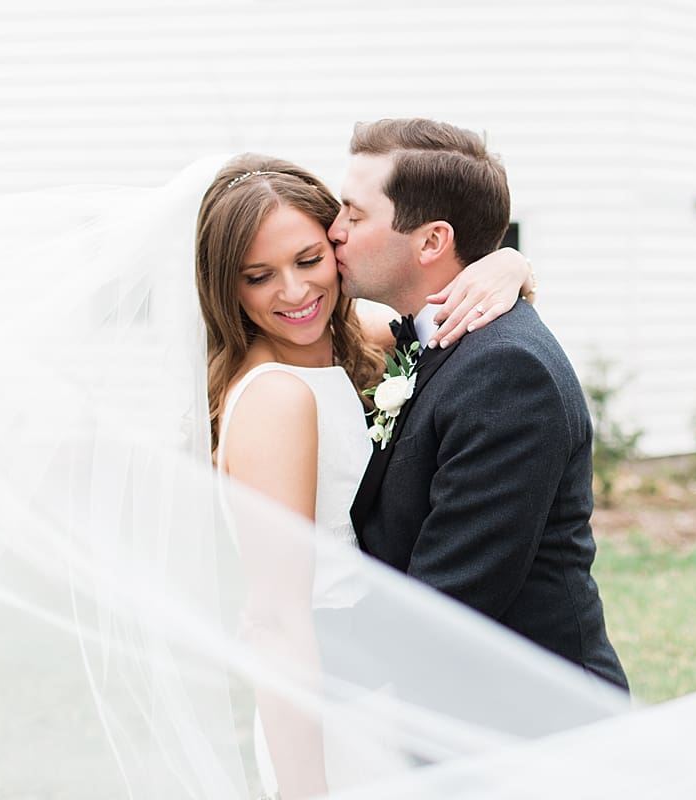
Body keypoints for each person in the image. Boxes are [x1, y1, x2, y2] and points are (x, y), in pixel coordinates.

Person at [194, 153, 535, 797]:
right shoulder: (277, 398)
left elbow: (441, 308)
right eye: (258, 276)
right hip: (331, 706)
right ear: (226, 288)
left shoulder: (349, 338)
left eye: (308, 260)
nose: (294, 293)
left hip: (379, 681)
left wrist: (510, 263)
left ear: (338, 246)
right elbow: (277, 619)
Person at [333, 118, 628, 691]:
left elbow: (450, 602)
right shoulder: (430, 333)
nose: (334, 230)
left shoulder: (506, 372)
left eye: (354, 213)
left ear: (432, 241)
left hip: (531, 730)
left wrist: (287, 635)